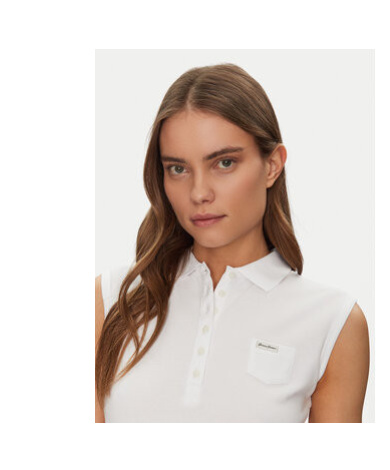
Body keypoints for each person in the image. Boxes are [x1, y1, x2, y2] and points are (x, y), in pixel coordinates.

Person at [95, 63, 370, 423]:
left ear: (272, 165)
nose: (199, 193)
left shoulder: (332, 320)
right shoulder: (112, 299)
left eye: (224, 163)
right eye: (178, 168)